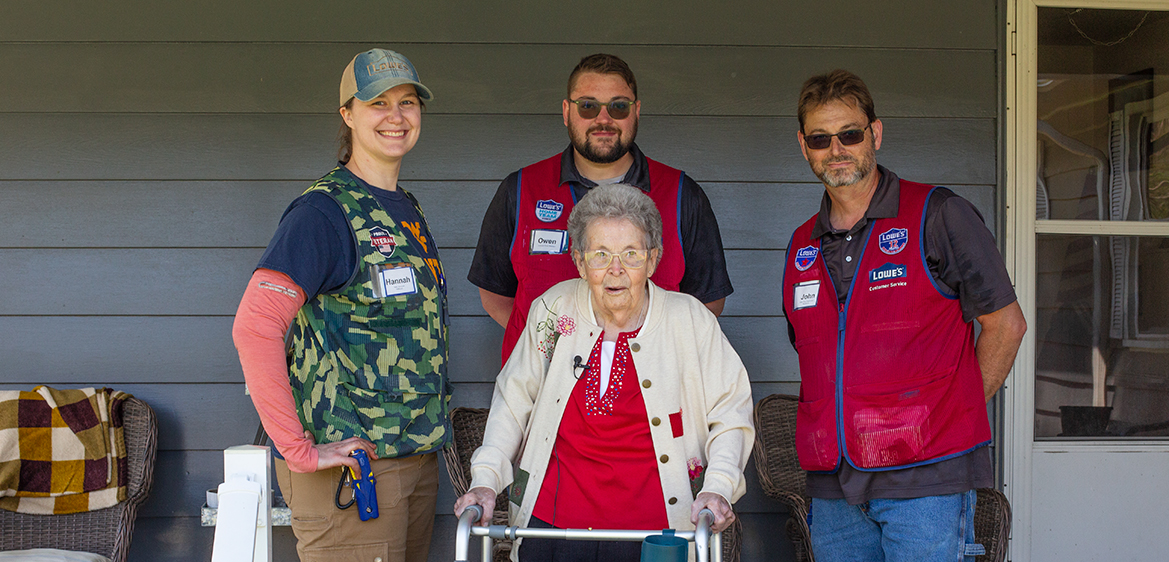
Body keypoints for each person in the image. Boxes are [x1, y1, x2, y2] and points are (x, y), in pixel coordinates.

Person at [782, 69, 1028, 562]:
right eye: (821, 138)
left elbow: (1006, 324)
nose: (837, 149)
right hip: (835, 489)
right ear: (804, 146)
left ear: (875, 133)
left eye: (850, 134)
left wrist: (949, 413)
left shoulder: (937, 215)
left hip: (926, 482)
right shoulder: (801, 246)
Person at [455, 183, 754, 562]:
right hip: (550, 524)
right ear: (579, 261)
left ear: (653, 258)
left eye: (631, 253)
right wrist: (485, 482)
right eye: (600, 254)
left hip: (657, 531)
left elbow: (731, 412)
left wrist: (719, 487)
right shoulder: (553, 309)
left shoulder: (690, 319)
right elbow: (513, 403)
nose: (616, 270)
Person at [231, 48, 449, 562]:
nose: (396, 116)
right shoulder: (324, 213)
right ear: (347, 115)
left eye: (408, 102)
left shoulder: (404, 207)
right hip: (355, 475)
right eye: (378, 103)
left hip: (412, 463)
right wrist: (299, 450)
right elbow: (255, 327)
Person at [469, 53, 734, 364]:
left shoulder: (681, 194)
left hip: (648, 393)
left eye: (618, 106)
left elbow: (708, 302)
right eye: (588, 105)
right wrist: (550, 340)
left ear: (636, 111)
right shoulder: (520, 189)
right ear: (567, 111)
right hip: (544, 394)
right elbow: (495, 295)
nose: (603, 119)